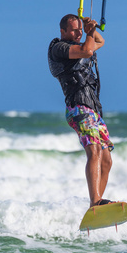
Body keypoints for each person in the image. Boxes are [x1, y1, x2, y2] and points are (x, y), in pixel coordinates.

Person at [48, 14, 114, 208]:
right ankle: (95, 202)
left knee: (107, 160)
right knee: (94, 151)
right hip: (78, 108)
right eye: (74, 30)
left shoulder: (82, 42)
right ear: (63, 31)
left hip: (93, 110)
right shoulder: (59, 48)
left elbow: (99, 41)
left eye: (79, 30)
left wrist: (90, 28)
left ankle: (98, 203)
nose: (78, 33)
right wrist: (89, 33)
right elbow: (87, 51)